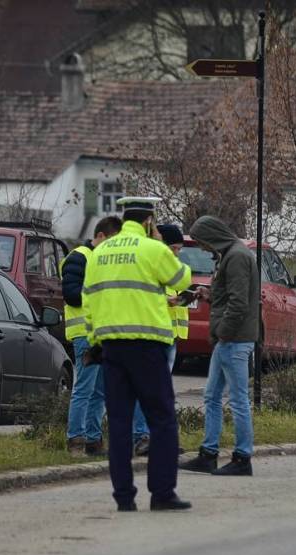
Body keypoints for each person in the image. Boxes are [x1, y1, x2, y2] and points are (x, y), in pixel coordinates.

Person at [83, 197, 192, 512]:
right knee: (162, 419)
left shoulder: (100, 252)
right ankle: (161, 493)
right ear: (149, 221)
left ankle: (123, 498)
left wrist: (96, 342)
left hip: (111, 348)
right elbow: (182, 280)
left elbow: (89, 302)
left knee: (118, 422)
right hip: (147, 346)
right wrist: (158, 243)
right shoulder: (153, 249)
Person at [179, 214, 259, 477]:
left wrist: (223, 333)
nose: (203, 248)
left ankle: (242, 458)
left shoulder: (236, 257)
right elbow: (228, 297)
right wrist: (208, 295)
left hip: (234, 341)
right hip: (226, 340)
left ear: (213, 236)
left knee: (238, 400)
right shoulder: (229, 255)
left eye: (203, 242)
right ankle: (208, 454)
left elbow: (239, 303)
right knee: (211, 397)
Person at [61, 215, 123, 458]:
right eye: (111, 241)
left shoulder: (103, 259)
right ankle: (75, 439)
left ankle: (94, 441)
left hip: (102, 333)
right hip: (84, 333)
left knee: (100, 390)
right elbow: (72, 294)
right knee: (84, 389)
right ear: (100, 236)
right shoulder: (79, 257)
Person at [130, 223, 187, 456]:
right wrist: (167, 301)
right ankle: (141, 436)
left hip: (170, 335)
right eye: (173, 248)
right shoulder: (151, 263)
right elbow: (144, 297)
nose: (176, 253)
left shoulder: (170, 265)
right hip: (152, 334)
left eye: (179, 250)